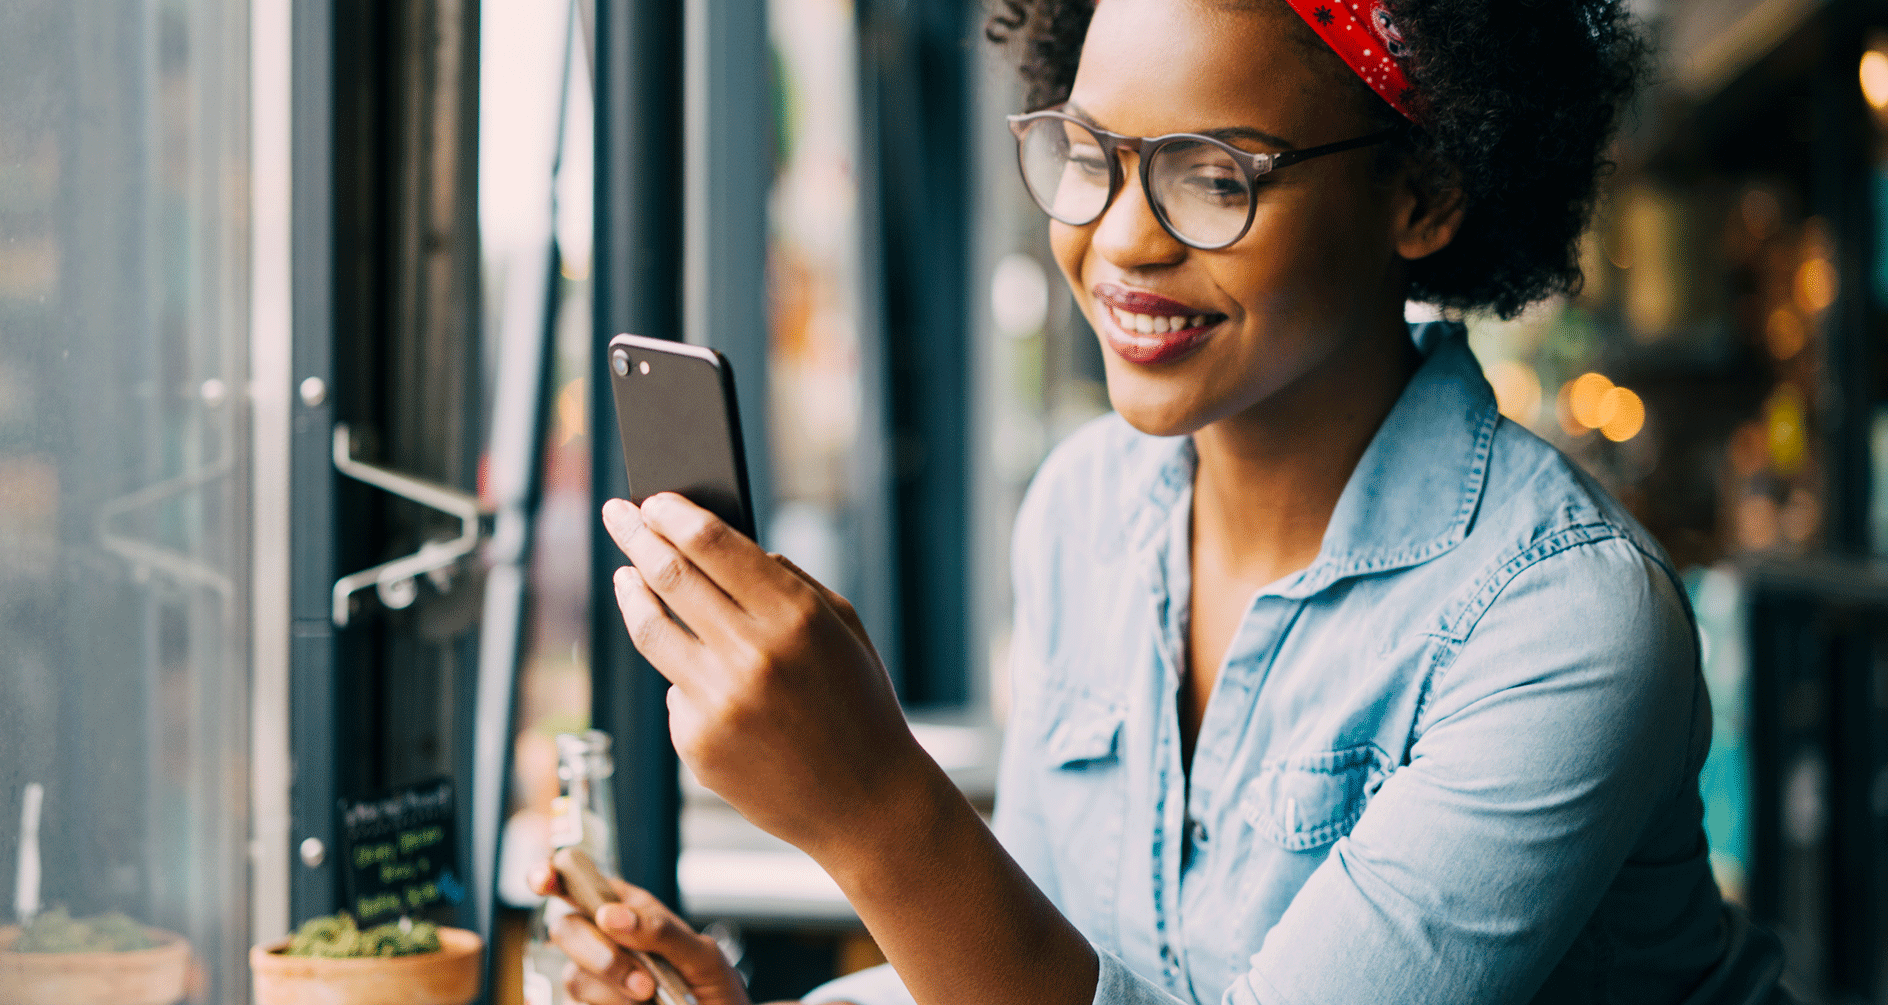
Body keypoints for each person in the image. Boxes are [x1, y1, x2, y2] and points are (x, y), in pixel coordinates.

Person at [529, 0, 1793, 1002]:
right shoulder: (1083, 508)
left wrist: (873, 808)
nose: (1122, 239)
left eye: (1212, 173)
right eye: (1090, 155)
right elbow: (1050, 968)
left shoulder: (1562, 624)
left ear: (1425, 195)